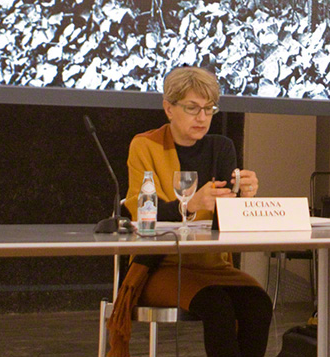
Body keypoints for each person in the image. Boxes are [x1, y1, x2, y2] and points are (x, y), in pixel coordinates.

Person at [106, 66, 271, 357]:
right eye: (193, 108)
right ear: (169, 108)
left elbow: (227, 223)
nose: (202, 117)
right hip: (158, 266)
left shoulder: (222, 147)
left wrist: (244, 197)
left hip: (213, 265)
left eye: (209, 109)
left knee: (258, 304)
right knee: (217, 307)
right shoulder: (145, 145)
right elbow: (141, 214)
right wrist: (189, 206)